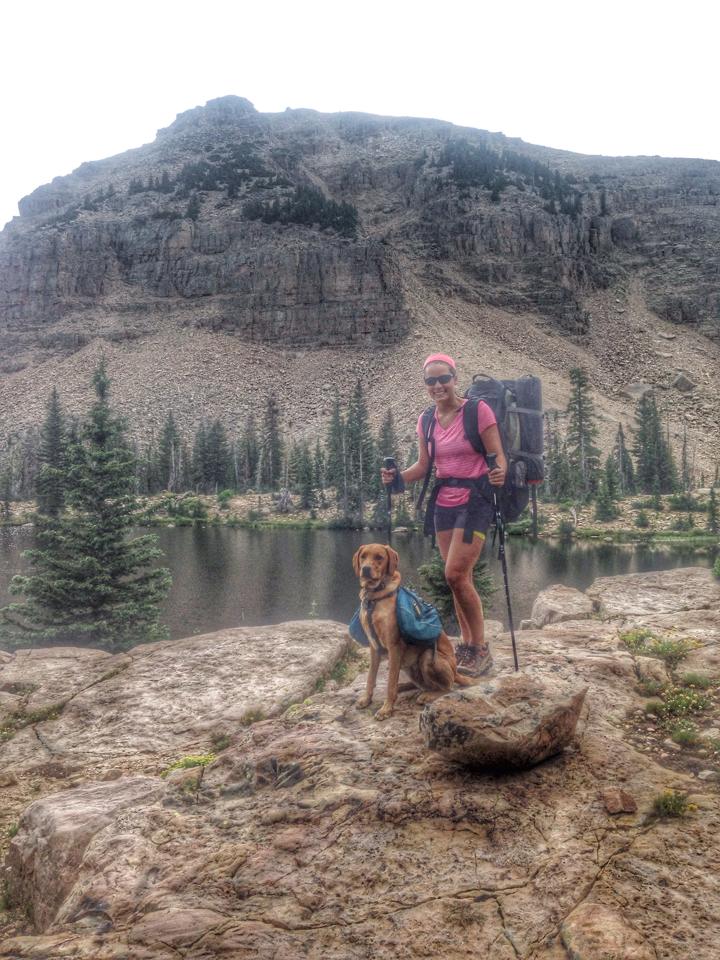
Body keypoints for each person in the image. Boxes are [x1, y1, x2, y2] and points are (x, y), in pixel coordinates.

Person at [380, 353, 506, 676]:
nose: (437, 386)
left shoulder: (478, 411)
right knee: (458, 580)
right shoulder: (426, 421)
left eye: (443, 379)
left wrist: (499, 474)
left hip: (476, 501)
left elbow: (498, 458)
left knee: (454, 574)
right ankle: (466, 644)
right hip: (444, 503)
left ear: (454, 378)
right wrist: (397, 478)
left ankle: (480, 648)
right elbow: (423, 466)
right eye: (430, 381)